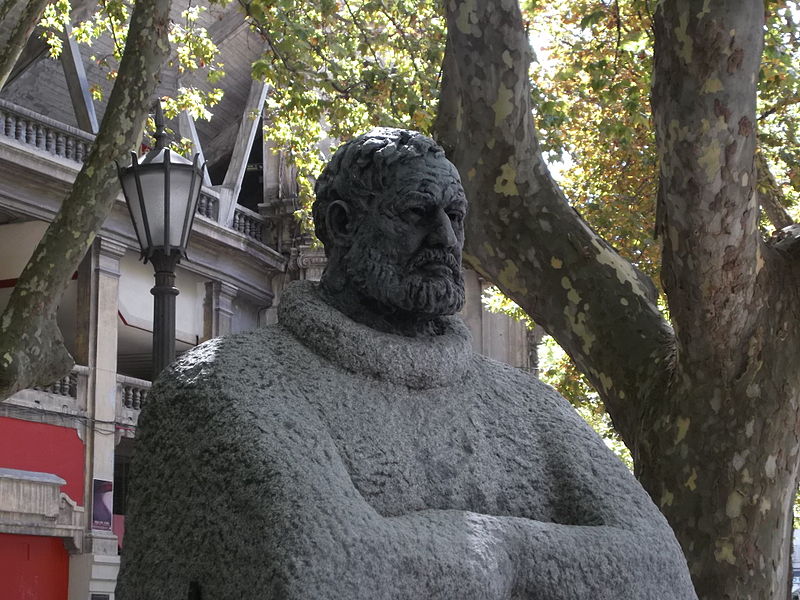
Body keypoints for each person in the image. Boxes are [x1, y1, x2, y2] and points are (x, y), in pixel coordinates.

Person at [116, 128, 697, 599]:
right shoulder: (233, 384)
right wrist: (541, 560)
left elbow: (662, 570)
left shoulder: (528, 407)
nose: (445, 238)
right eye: (417, 213)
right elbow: (332, 572)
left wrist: (503, 551)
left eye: (454, 216)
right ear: (343, 226)